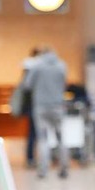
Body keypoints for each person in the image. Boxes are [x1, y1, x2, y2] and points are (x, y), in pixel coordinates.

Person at [24, 47, 69, 179]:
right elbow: (64, 84)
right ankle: (64, 168)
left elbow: (27, 85)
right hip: (58, 107)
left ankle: (43, 170)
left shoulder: (37, 66)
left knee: (43, 139)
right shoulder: (61, 66)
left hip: (41, 107)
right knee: (61, 139)